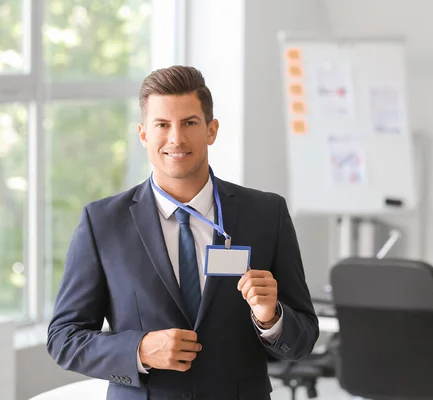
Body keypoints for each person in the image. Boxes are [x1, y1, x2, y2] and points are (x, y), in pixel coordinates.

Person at [47, 65, 319, 400]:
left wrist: (270, 318)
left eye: (189, 123)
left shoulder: (265, 214)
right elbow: (63, 338)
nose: (176, 138)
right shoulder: (102, 222)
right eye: (162, 125)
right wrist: (141, 349)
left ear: (211, 130)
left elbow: (303, 339)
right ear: (144, 134)